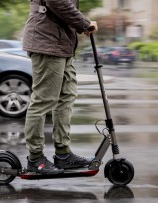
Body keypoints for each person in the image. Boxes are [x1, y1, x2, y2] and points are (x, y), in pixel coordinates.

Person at [22, 0, 98, 174]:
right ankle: (35, 157)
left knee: (67, 96)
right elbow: (57, 2)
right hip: (47, 42)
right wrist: (85, 23)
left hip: (62, 44)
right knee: (44, 99)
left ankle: (63, 154)